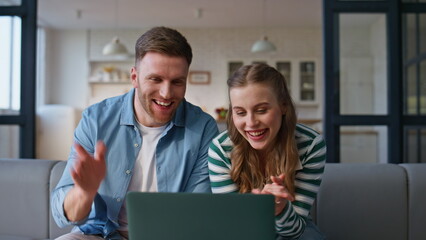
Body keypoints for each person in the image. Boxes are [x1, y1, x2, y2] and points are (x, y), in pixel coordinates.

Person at [51, 26, 219, 240]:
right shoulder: (96, 120)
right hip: (100, 234)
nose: (166, 93)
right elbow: (63, 214)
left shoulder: (203, 128)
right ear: (134, 77)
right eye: (156, 79)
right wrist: (84, 193)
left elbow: (198, 209)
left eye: (177, 81)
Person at [208, 63, 326, 239]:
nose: (251, 122)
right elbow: (232, 225)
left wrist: (279, 209)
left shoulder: (310, 145)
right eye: (240, 112)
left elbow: (295, 230)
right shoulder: (221, 149)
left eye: (261, 110)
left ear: (283, 106)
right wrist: (259, 211)